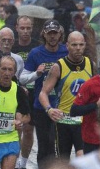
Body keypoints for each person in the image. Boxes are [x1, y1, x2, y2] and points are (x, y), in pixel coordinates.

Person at [39, 31, 94, 161]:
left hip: (83, 122)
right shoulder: (59, 66)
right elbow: (43, 93)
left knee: (83, 158)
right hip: (63, 122)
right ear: (67, 46)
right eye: (74, 45)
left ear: (85, 45)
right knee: (63, 162)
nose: (78, 48)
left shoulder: (90, 64)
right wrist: (49, 109)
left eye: (81, 45)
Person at [21, 20, 68, 165]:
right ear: (44, 35)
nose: (52, 37)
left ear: (60, 34)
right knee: (44, 145)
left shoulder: (66, 51)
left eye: (55, 33)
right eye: (49, 34)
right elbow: (22, 78)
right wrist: (36, 74)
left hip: (62, 106)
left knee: (59, 144)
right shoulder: (36, 53)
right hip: (41, 106)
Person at [12, 15, 38, 169]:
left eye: (28, 28)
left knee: (28, 130)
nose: (25, 31)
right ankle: (13, 164)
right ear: (17, 28)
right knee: (16, 129)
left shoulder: (37, 45)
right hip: (14, 93)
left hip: (33, 92)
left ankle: (22, 165)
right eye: (22, 28)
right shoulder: (11, 44)